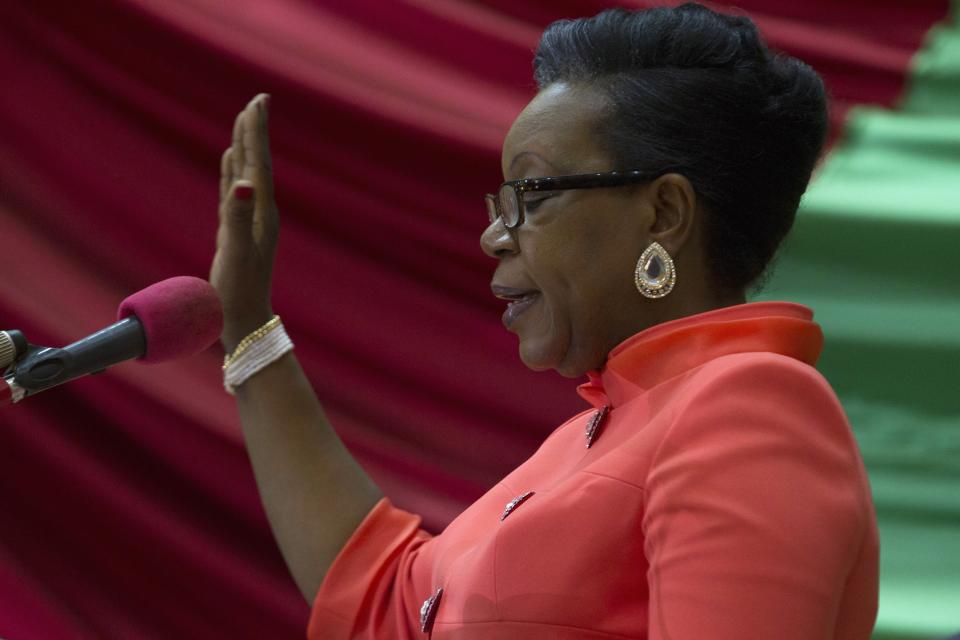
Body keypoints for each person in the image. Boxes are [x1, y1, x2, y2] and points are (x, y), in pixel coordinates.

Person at [210, 4, 878, 638]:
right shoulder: (587, 441)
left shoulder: (747, 410)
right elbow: (385, 605)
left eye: (532, 195)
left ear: (664, 214)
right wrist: (247, 330)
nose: (494, 236)